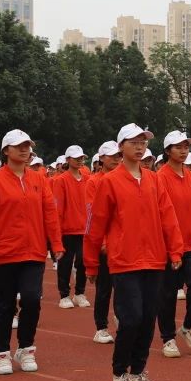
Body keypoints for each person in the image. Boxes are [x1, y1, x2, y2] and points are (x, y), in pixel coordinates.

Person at [84, 124, 183, 381]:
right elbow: (96, 226)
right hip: (124, 261)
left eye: (143, 142)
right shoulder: (109, 182)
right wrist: (91, 263)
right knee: (130, 319)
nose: (140, 146)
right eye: (133, 142)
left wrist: (175, 250)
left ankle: (138, 370)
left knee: (149, 317)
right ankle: (119, 374)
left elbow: (168, 216)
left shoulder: (154, 180)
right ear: (121, 147)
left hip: (154, 259)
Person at [0, 129, 63, 376]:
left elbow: (49, 212)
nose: (24, 150)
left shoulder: (39, 179)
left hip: (33, 251)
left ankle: (26, 347)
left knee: (31, 299)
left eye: (27, 146)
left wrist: (56, 244)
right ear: (6, 150)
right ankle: (1, 352)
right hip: (3, 253)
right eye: (18, 146)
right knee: (2, 305)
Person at [157, 131, 191, 357]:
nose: (183, 150)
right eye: (178, 147)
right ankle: (168, 338)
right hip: (168, 246)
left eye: (186, 146)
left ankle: (189, 327)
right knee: (168, 293)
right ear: (168, 151)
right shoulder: (160, 177)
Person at [87, 141, 120, 343]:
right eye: (112, 156)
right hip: (105, 244)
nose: (116, 159)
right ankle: (101, 327)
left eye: (118, 155)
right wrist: (103, 241)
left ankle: (121, 317)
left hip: (124, 242)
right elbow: (94, 215)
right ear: (101, 159)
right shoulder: (94, 182)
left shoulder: (124, 177)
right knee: (105, 287)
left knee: (124, 286)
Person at [51, 145, 91, 309]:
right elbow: (58, 207)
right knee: (66, 263)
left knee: (83, 261)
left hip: (84, 229)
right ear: (68, 160)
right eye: (76, 158)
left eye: (81, 157)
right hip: (67, 230)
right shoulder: (60, 181)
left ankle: (79, 292)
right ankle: (64, 295)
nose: (80, 160)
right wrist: (57, 232)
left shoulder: (88, 179)